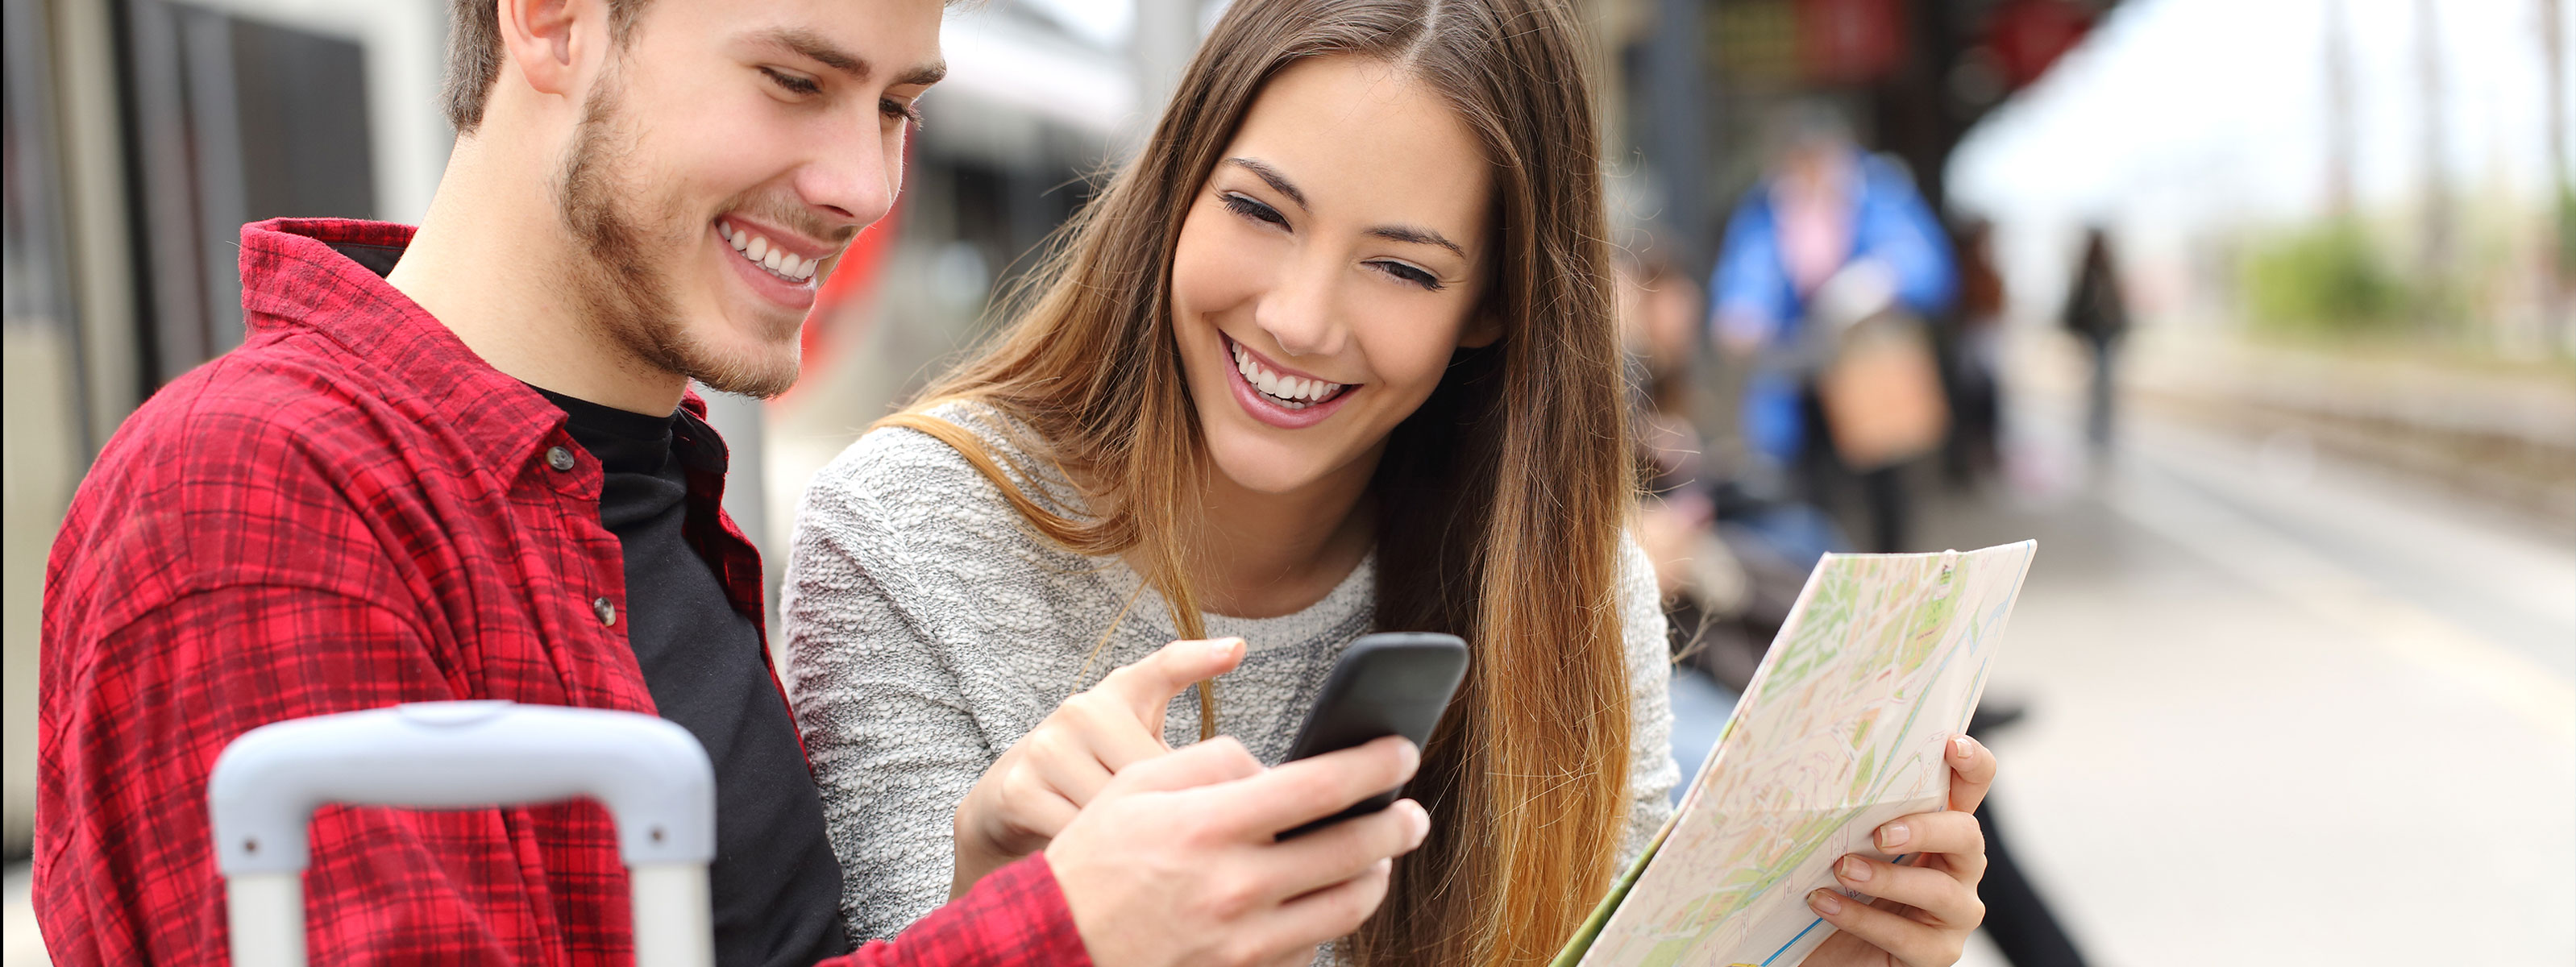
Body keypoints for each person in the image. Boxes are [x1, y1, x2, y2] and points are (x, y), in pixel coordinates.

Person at [35, 1, 1428, 964]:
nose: (864, 183)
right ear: (552, 21)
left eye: (896, 105)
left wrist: (987, 902)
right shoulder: (254, 494)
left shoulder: (638, 493)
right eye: (795, 81)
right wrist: (1058, 939)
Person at [782, 2, 1999, 965]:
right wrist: (1027, 917)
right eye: (1259, 211)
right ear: (1175, 189)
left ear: (1492, 307)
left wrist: (1817, 951)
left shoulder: (1568, 592)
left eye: (1403, 271)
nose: (1301, 319)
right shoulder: (904, 536)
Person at [1710, 104, 1957, 553]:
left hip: (1866, 374)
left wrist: (1879, 281)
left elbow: (1926, 265)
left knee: (1884, 492)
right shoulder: (1765, 208)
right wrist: (1741, 311)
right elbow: (1747, 274)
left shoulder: (1880, 194)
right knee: (1806, 493)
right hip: (1797, 376)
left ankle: (1894, 573)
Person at [2062, 227, 2129, 455]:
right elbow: (2076, 308)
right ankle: (2094, 433)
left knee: (2105, 387)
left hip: (2107, 335)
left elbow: (2118, 307)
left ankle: (2103, 434)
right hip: (2092, 337)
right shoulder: (2087, 275)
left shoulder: (2109, 273)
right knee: (2097, 386)